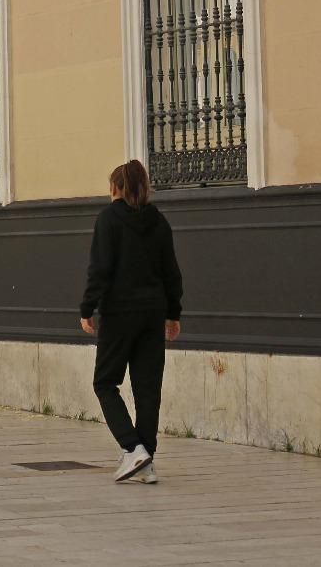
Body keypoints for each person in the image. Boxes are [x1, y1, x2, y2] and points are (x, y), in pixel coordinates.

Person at [79, 159, 183, 484]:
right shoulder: (159, 221)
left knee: (105, 383)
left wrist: (87, 308)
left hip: (119, 312)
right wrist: (173, 314)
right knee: (147, 389)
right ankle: (146, 462)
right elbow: (171, 272)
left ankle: (132, 447)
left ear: (116, 188)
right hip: (153, 313)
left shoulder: (108, 219)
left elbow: (100, 269)